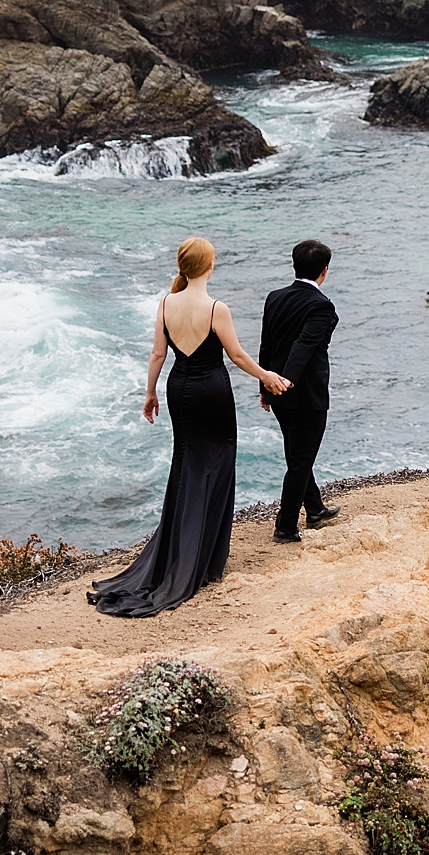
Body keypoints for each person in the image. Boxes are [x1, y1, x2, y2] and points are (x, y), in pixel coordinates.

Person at [88, 237, 288, 618]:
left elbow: (158, 353)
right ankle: (207, 562)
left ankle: (182, 553)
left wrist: (150, 394)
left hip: (178, 389)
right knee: (216, 465)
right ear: (209, 266)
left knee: (187, 467)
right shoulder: (216, 308)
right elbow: (237, 355)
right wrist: (266, 376)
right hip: (211, 391)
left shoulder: (166, 302)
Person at [259, 238, 341, 543]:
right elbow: (305, 345)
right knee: (300, 460)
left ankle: (316, 508)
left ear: (294, 266)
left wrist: (266, 385)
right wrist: (288, 380)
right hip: (306, 395)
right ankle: (286, 526)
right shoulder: (321, 305)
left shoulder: (274, 297)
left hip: (278, 392)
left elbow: (266, 344)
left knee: (297, 454)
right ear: (324, 270)